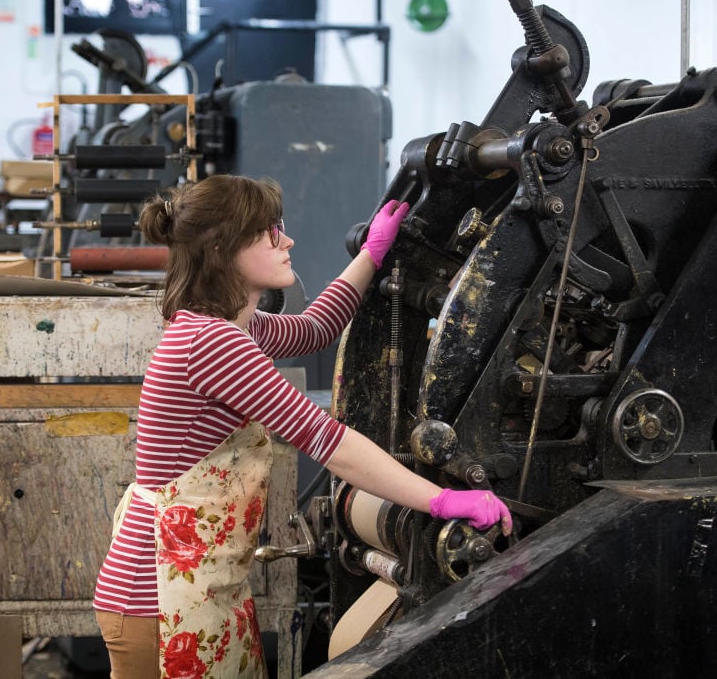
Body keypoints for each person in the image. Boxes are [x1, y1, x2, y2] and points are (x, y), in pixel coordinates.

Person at [93, 174, 512, 678]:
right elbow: (329, 443)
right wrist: (441, 500)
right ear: (224, 248)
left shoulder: (232, 326)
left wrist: (372, 255)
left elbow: (316, 329)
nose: (287, 240)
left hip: (196, 584)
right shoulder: (211, 343)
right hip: (157, 594)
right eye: (271, 231)